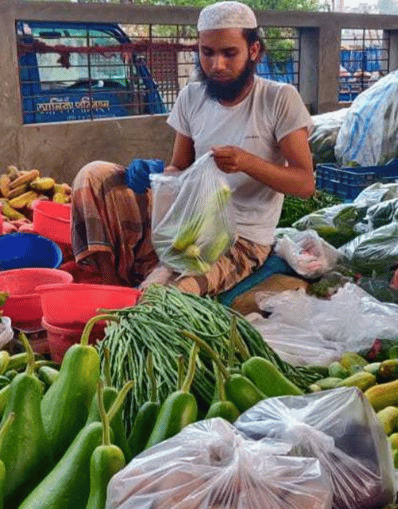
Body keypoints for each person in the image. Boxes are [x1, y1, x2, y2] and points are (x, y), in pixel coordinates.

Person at [69, 0, 315, 296]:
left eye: (229, 53)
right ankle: (110, 289)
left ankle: (148, 284)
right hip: (188, 217)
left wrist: (247, 162)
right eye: (207, 53)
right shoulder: (192, 96)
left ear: (254, 51)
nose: (216, 65)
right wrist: (157, 175)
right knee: (94, 176)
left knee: (166, 294)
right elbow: (180, 169)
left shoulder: (278, 99)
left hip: (240, 237)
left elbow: (304, 183)